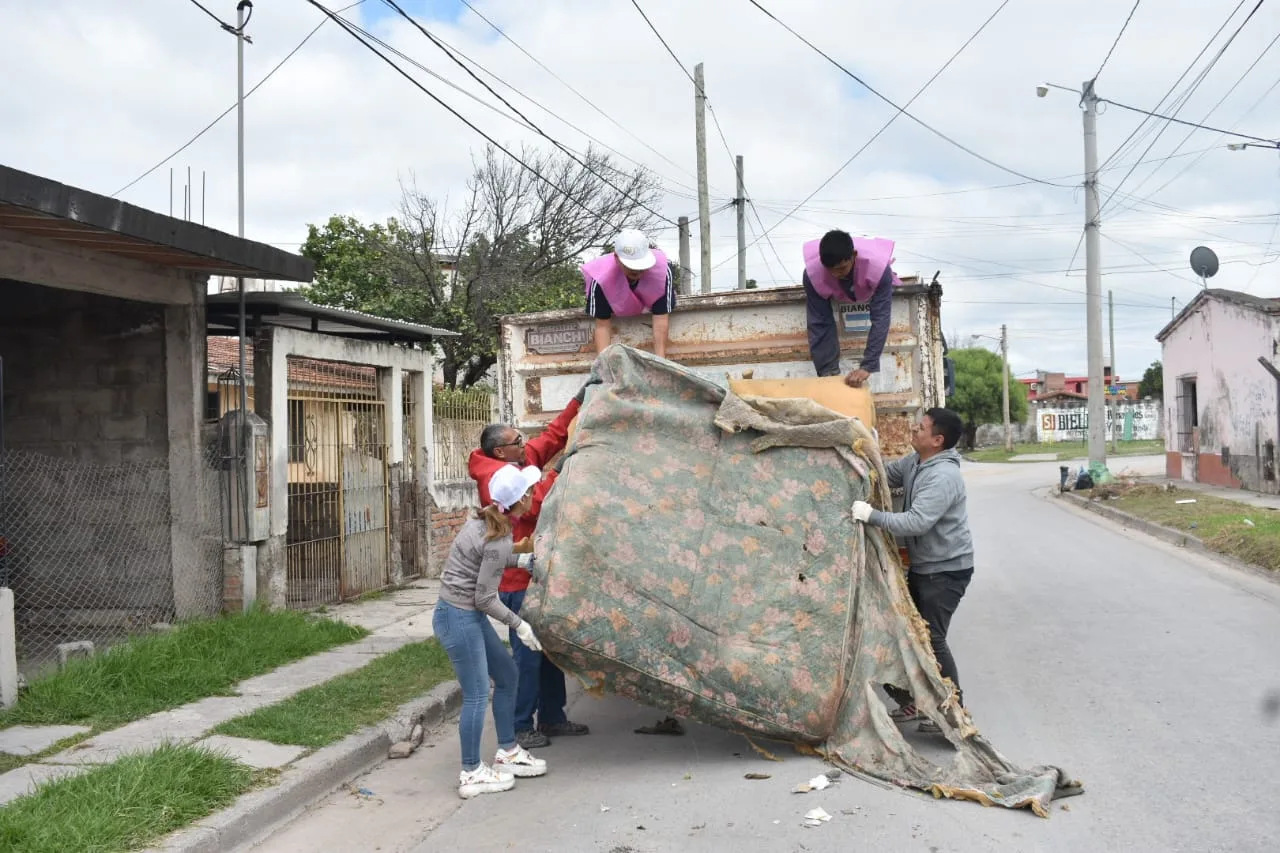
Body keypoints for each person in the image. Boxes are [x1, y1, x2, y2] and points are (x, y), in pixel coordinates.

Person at [468, 379, 599, 749]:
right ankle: (521, 725)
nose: (525, 446)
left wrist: (579, 398)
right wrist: (566, 468)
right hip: (515, 582)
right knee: (527, 658)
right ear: (500, 451)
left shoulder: (515, 461)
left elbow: (551, 437)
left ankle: (553, 717)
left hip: (536, 574)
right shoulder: (497, 480)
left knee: (549, 650)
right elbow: (537, 502)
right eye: (517, 442)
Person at [850, 407, 973, 734]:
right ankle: (914, 703)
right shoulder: (916, 463)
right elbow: (885, 474)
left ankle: (954, 712)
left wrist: (871, 515)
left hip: (947, 571)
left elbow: (917, 523)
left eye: (921, 428)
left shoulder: (943, 476)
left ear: (937, 439)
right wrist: (855, 461)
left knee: (931, 638)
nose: (913, 430)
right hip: (925, 567)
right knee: (902, 635)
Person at [434, 463, 550, 798]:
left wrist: (520, 561)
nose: (533, 494)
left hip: (462, 613)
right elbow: (485, 598)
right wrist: (520, 625)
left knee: (508, 676)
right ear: (521, 500)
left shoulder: (488, 520)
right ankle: (471, 772)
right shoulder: (498, 535)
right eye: (529, 491)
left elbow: (487, 559)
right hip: (458, 616)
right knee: (475, 694)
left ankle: (508, 752)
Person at [802, 229, 902, 387]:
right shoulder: (812, 275)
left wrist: (868, 365)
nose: (836, 274)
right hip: (830, 296)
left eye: (841, 268)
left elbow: (880, 318)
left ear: (854, 256)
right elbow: (820, 322)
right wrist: (828, 372)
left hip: (869, 277)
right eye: (830, 270)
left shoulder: (879, 270)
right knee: (820, 323)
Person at [584, 228, 675, 359]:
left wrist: (660, 363)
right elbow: (602, 325)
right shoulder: (600, 280)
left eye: (641, 266)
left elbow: (660, 317)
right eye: (631, 266)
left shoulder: (663, 272)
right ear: (616, 258)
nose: (637, 270)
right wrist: (603, 366)